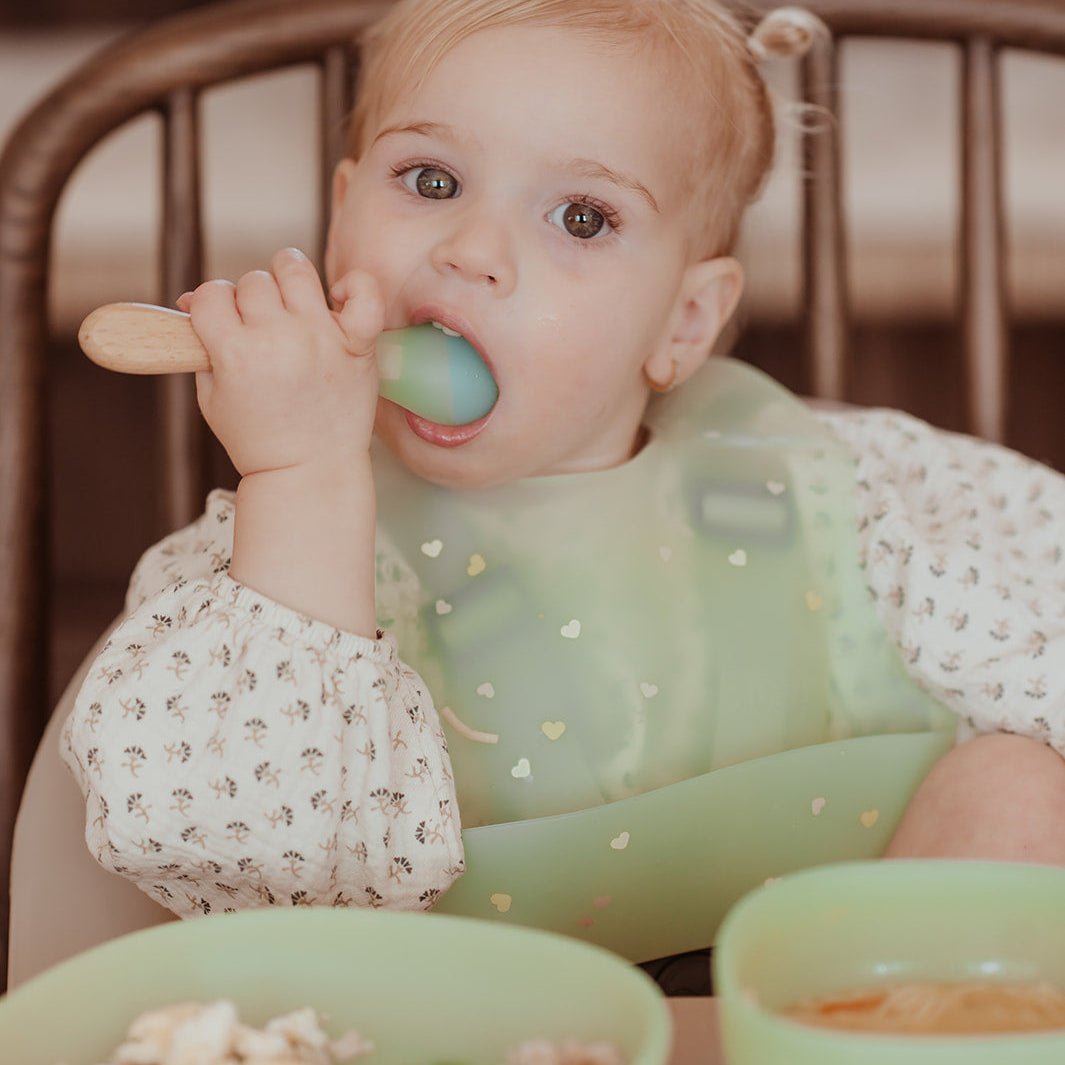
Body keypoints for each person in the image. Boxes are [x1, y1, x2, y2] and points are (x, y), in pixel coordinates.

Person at [61, 0, 1065, 937]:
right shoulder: (254, 571)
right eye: (430, 181)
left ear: (683, 321)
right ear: (340, 217)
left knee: (1017, 787)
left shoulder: (839, 487)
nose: (472, 250)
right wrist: (303, 479)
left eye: (582, 217)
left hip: (835, 1005)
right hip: (464, 1026)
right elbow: (256, 878)